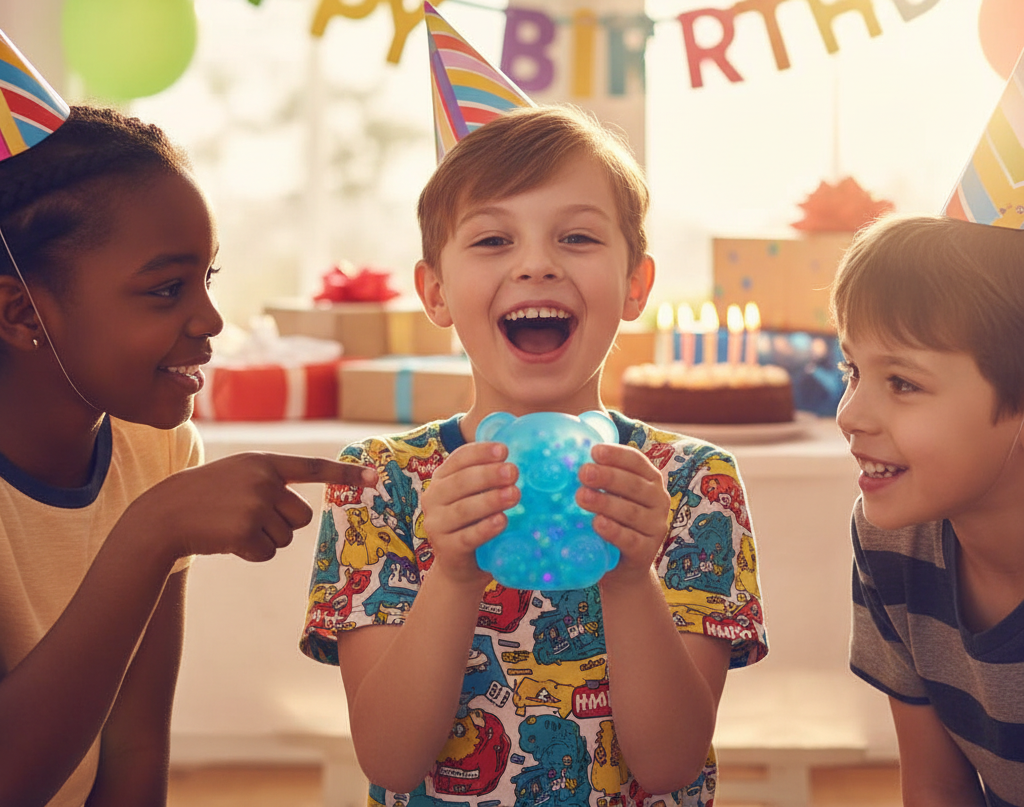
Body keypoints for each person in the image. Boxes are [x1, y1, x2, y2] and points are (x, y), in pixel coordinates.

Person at [300, 104, 768, 807]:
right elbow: (391, 760)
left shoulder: (693, 485)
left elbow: (670, 764)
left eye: (576, 236)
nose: (537, 264)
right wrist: (454, 576)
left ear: (636, 284)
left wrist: (629, 576)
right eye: (492, 239)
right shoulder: (380, 484)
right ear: (435, 292)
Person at [0, 104, 377, 807]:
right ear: (23, 314)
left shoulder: (158, 444)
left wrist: (157, 521)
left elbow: (134, 748)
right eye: (167, 289)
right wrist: (152, 531)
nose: (209, 321)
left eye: (208, 278)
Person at [831, 213, 1024, 806]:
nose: (850, 415)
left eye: (904, 383)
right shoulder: (893, 542)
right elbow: (937, 788)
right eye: (853, 370)